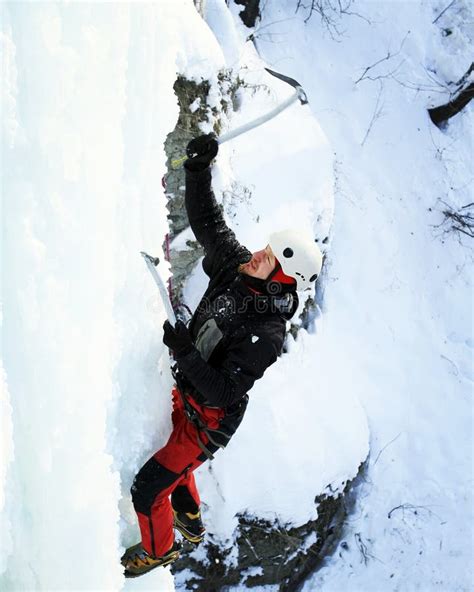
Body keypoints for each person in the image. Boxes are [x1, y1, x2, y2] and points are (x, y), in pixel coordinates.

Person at [121, 134, 323, 577]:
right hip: (187, 390)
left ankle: (161, 550)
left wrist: (186, 353)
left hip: (208, 423)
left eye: (267, 258)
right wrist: (198, 171)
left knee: (148, 488)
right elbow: (210, 222)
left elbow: (225, 392)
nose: (255, 255)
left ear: (282, 281)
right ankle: (189, 518)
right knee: (171, 461)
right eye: (262, 250)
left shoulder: (265, 334)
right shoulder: (238, 269)